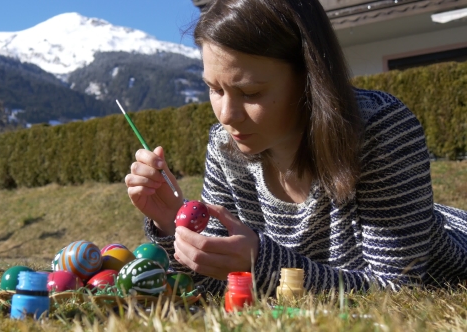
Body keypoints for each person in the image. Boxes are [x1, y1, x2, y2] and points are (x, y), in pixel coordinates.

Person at [124, 0, 467, 296]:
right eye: (214, 89)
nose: (227, 115)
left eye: (251, 93)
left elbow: (399, 288)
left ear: (309, 77)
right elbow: (217, 286)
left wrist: (264, 264)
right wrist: (172, 224)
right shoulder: (226, 146)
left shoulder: (378, 128)